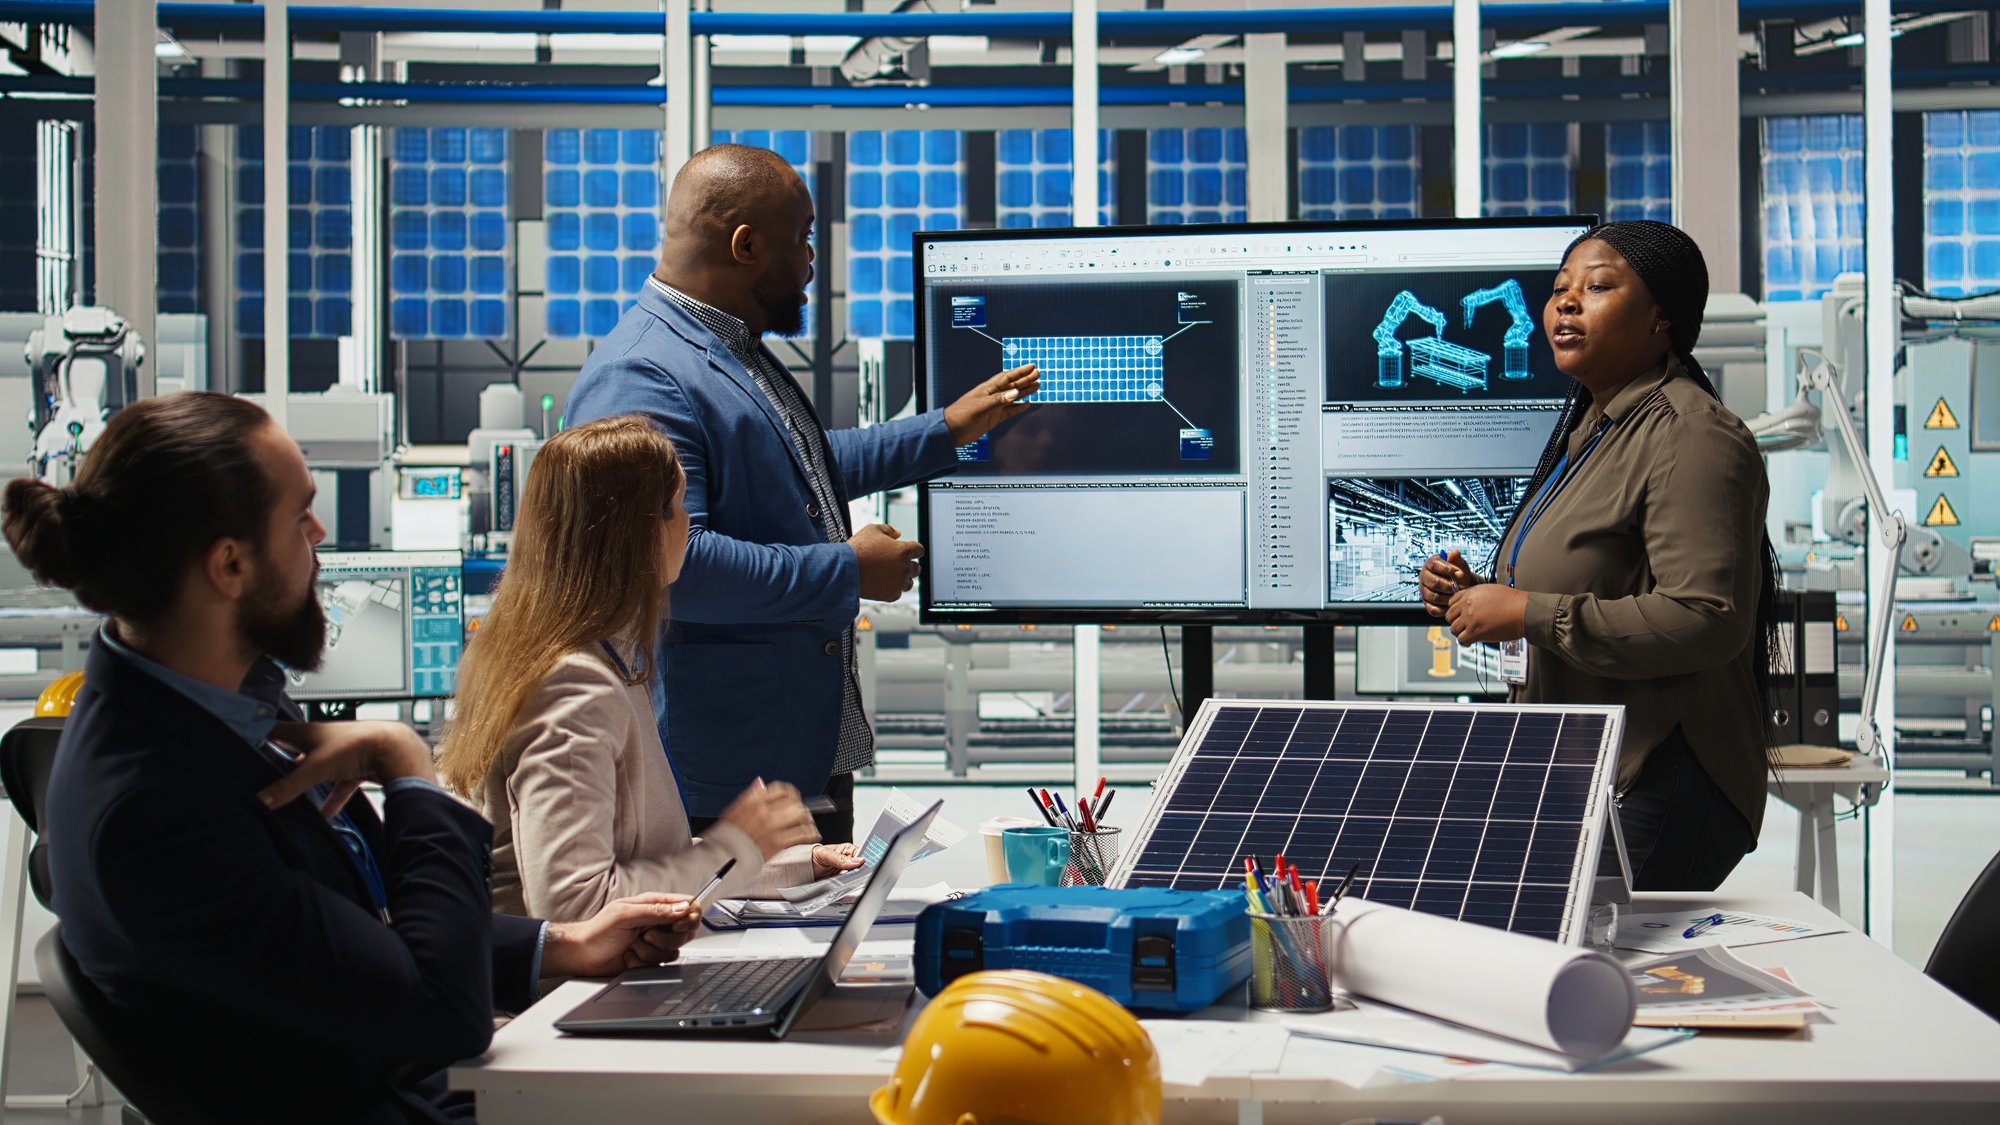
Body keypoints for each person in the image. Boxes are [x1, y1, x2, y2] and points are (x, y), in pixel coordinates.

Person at [5, 393, 697, 1125]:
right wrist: (406, 768)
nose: (321, 531)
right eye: (300, 515)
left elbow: (351, 935)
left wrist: (560, 945)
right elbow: (437, 1010)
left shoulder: (219, 714)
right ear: (229, 565)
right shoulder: (155, 808)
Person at [567, 143, 1038, 842]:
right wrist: (847, 570)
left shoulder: (730, 348)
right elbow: (676, 567)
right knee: (754, 955)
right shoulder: (643, 377)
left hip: (792, 767)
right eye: (805, 236)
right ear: (746, 244)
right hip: (722, 795)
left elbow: (800, 470)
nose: (814, 258)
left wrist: (945, 431)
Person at [1420, 220, 1777, 892]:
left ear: (1660, 318)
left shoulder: (1692, 434)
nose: (1567, 302)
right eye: (1560, 289)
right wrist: (1473, 592)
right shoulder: (1593, 428)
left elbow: (1707, 617)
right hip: (1588, 773)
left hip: (1662, 778)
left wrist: (1528, 610)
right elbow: (1587, 575)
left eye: (1599, 285)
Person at [439, 415, 865, 922]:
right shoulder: (574, 687)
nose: (691, 524)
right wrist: (735, 843)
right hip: (566, 998)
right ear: (641, 532)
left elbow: (641, 861)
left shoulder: (601, 661)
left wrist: (798, 864)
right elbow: (576, 904)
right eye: (682, 506)